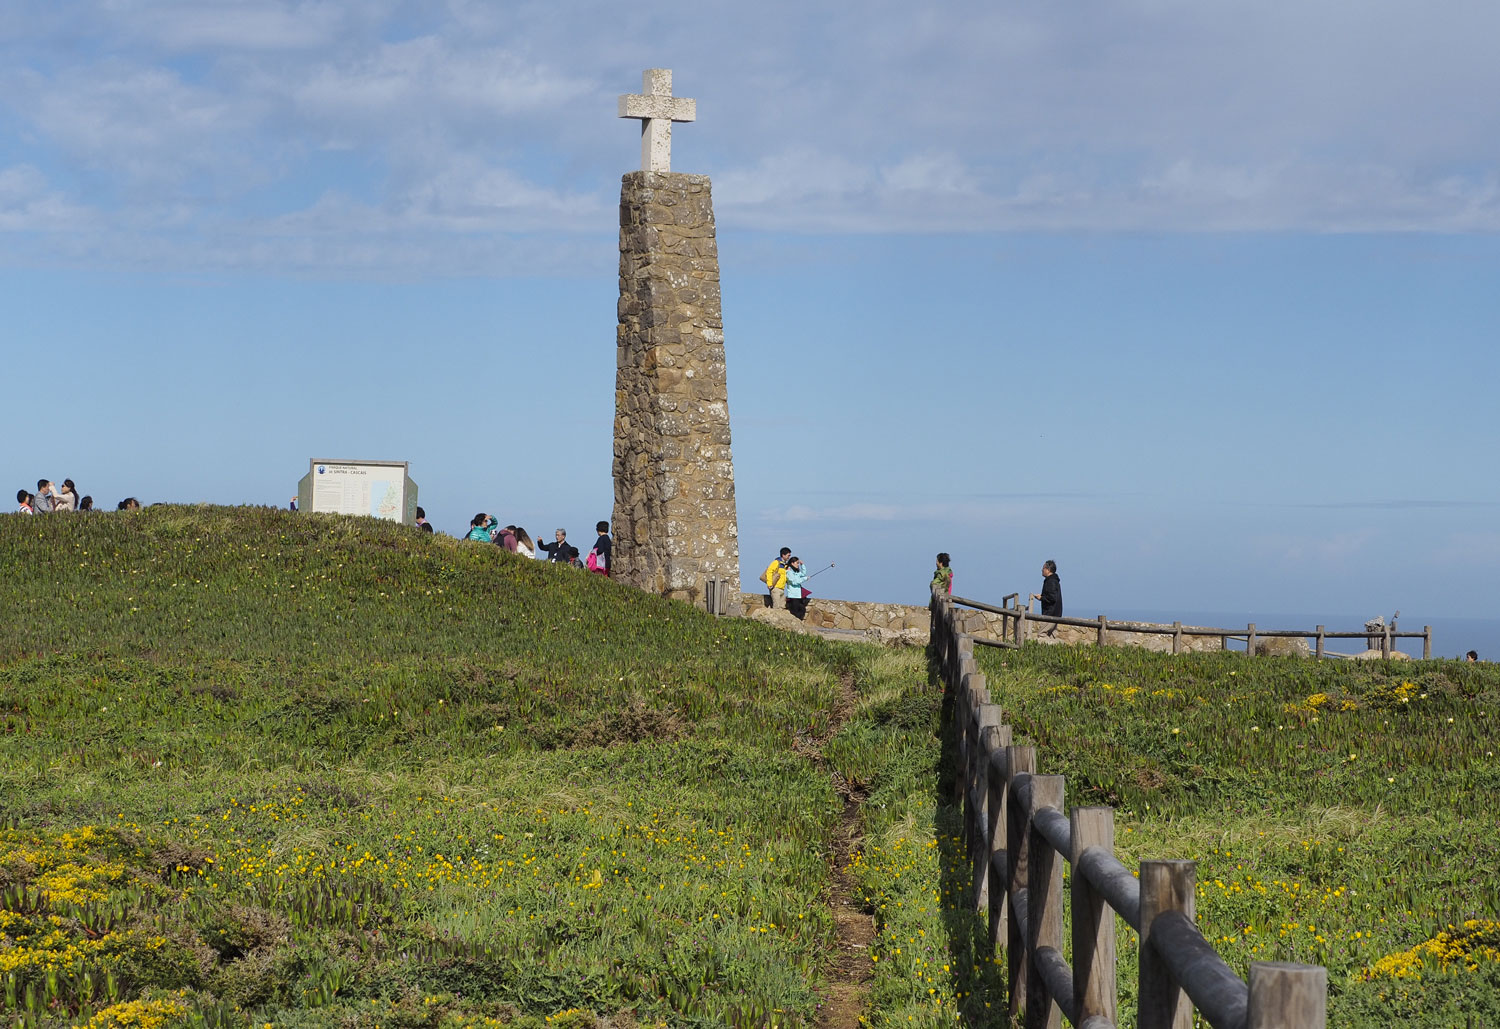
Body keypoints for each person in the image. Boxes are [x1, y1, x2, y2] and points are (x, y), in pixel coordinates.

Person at [1032, 560, 1062, 636]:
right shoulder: (1054, 581)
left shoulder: (1051, 581)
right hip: (1055, 613)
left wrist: (1041, 598)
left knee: (1041, 634)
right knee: (1051, 635)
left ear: (1048, 570)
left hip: (1051, 614)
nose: (1042, 570)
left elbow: (1052, 598)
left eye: (1043, 568)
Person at [784, 556, 810, 620]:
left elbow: (803, 573)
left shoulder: (796, 572)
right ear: (792, 563)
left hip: (798, 595)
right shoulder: (789, 572)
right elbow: (795, 582)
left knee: (802, 609)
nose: (798, 564)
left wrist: (802, 565)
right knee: (795, 612)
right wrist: (805, 579)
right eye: (797, 563)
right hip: (793, 596)